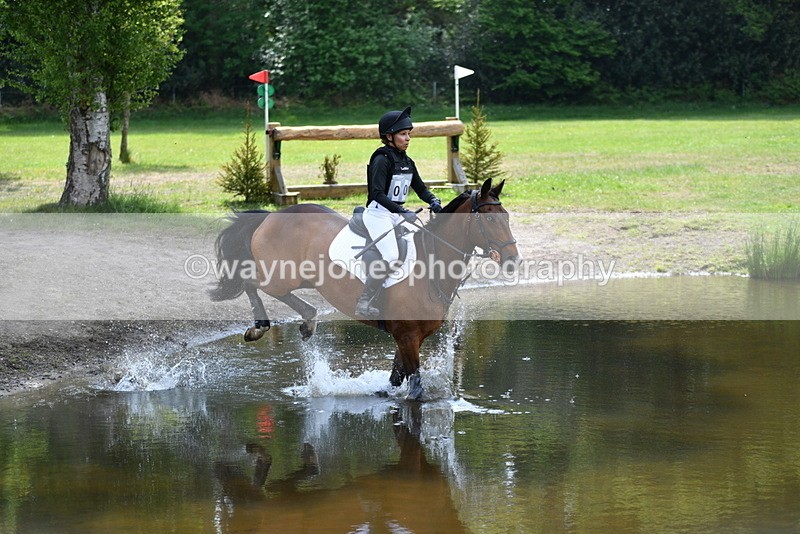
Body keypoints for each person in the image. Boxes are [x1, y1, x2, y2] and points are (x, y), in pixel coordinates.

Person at [355, 106, 443, 318]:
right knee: (392, 255)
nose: (407, 138)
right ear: (389, 136)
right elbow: (376, 193)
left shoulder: (406, 161)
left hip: (395, 214)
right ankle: (365, 299)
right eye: (403, 134)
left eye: (409, 134)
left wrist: (433, 200)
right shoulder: (381, 159)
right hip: (378, 215)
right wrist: (402, 211)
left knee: (421, 246)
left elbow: (420, 189)